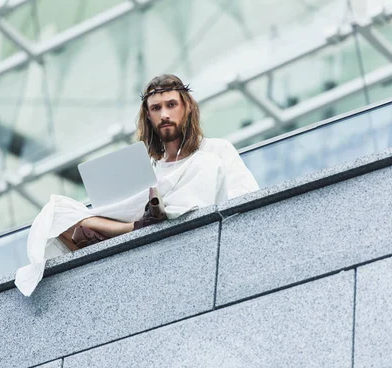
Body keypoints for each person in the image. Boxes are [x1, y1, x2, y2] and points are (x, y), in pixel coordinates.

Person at [15, 74, 259, 296]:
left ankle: (151, 221)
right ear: (148, 116)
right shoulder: (148, 167)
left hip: (193, 233)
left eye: (171, 105)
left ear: (186, 108)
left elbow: (246, 198)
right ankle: (140, 226)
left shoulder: (215, 151)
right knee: (56, 211)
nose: (164, 114)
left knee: (207, 164)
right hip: (140, 230)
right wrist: (138, 224)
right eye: (156, 108)